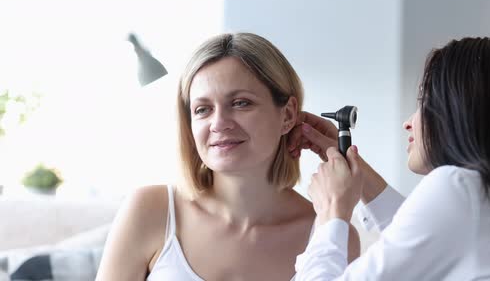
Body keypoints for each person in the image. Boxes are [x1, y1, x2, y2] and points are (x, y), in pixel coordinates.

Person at [290, 37, 490, 280]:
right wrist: (359, 175)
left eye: (423, 102)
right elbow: (430, 237)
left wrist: (332, 212)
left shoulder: (459, 188)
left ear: (463, 111)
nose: (409, 122)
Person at [96, 33, 359, 281]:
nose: (219, 123)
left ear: (288, 114)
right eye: (202, 109)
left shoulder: (332, 233)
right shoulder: (152, 211)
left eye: (241, 103)